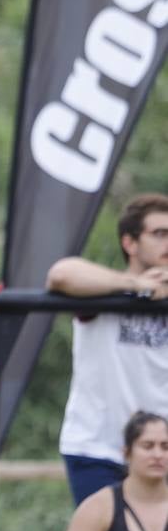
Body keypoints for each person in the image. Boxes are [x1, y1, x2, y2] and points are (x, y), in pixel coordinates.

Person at [47, 193, 168, 506]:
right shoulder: (106, 290)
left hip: (160, 451)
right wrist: (138, 285)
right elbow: (61, 274)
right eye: (159, 234)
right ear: (130, 243)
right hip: (98, 450)